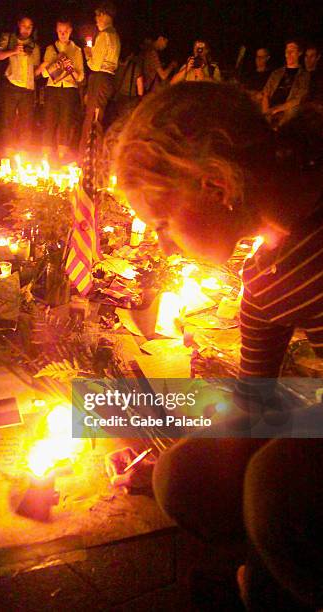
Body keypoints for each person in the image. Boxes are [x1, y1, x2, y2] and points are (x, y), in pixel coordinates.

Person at [115, 80, 322, 608]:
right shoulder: (271, 276)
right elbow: (253, 404)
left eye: (160, 221)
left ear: (216, 185)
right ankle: (267, 576)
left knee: (276, 487)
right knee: (187, 473)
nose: (159, 240)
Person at [36, 18, 84, 161]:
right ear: (56, 31)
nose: (63, 34)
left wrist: (70, 68)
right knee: (49, 122)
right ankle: (46, 157)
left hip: (69, 90)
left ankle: (62, 157)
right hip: (53, 89)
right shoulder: (51, 49)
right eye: (60, 31)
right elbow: (45, 74)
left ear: (70, 31)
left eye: (65, 31)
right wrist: (54, 64)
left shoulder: (76, 50)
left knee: (65, 123)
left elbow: (80, 77)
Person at [0, 15, 40, 151]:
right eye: (24, 26)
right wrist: (13, 51)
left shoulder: (35, 46)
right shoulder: (9, 38)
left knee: (26, 124)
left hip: (28, 89)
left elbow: (35, 69)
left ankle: (23, 154)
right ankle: (9, 152)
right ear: (19, 24)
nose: (26, 29)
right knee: (8, 122)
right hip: (11, 86)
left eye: (30, 27)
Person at [79, 1, 121, 157]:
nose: (96, 20)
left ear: (104, 15)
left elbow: (95, 66)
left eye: (97, 16)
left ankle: (87, 158)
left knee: (92, 119)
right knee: (99, 117)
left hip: (100, 78)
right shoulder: (115, 36)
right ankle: (96, 156)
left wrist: (88, 53)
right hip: (109, 79)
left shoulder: (104, 36)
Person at [262, 40, 310, 128]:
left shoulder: (304, 75)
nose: (288, 53)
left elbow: (298, 99)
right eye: (287, 51)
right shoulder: (276, 73)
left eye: (292, 50)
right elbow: (266, 93)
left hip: (286, 109)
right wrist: (266, 111)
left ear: (299, 53)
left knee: (294, 111)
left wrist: (277, 109)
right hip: (270, 107)